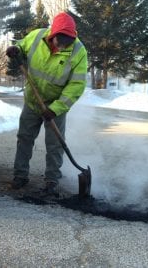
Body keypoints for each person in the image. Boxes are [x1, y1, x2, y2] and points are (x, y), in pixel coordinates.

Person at [6, 12, 88, 193]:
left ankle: (52, 180)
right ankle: (20, 176)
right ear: (53, 34)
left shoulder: (78, 51)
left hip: (55, 105)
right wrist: (15, 50)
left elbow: (76, 85)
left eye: (68, 41)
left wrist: (56, 109)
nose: (64, 45)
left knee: (55, 144)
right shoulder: (36, 36)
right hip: (33, 101)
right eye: (61, 40)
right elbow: (21, 46)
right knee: (24, 138)